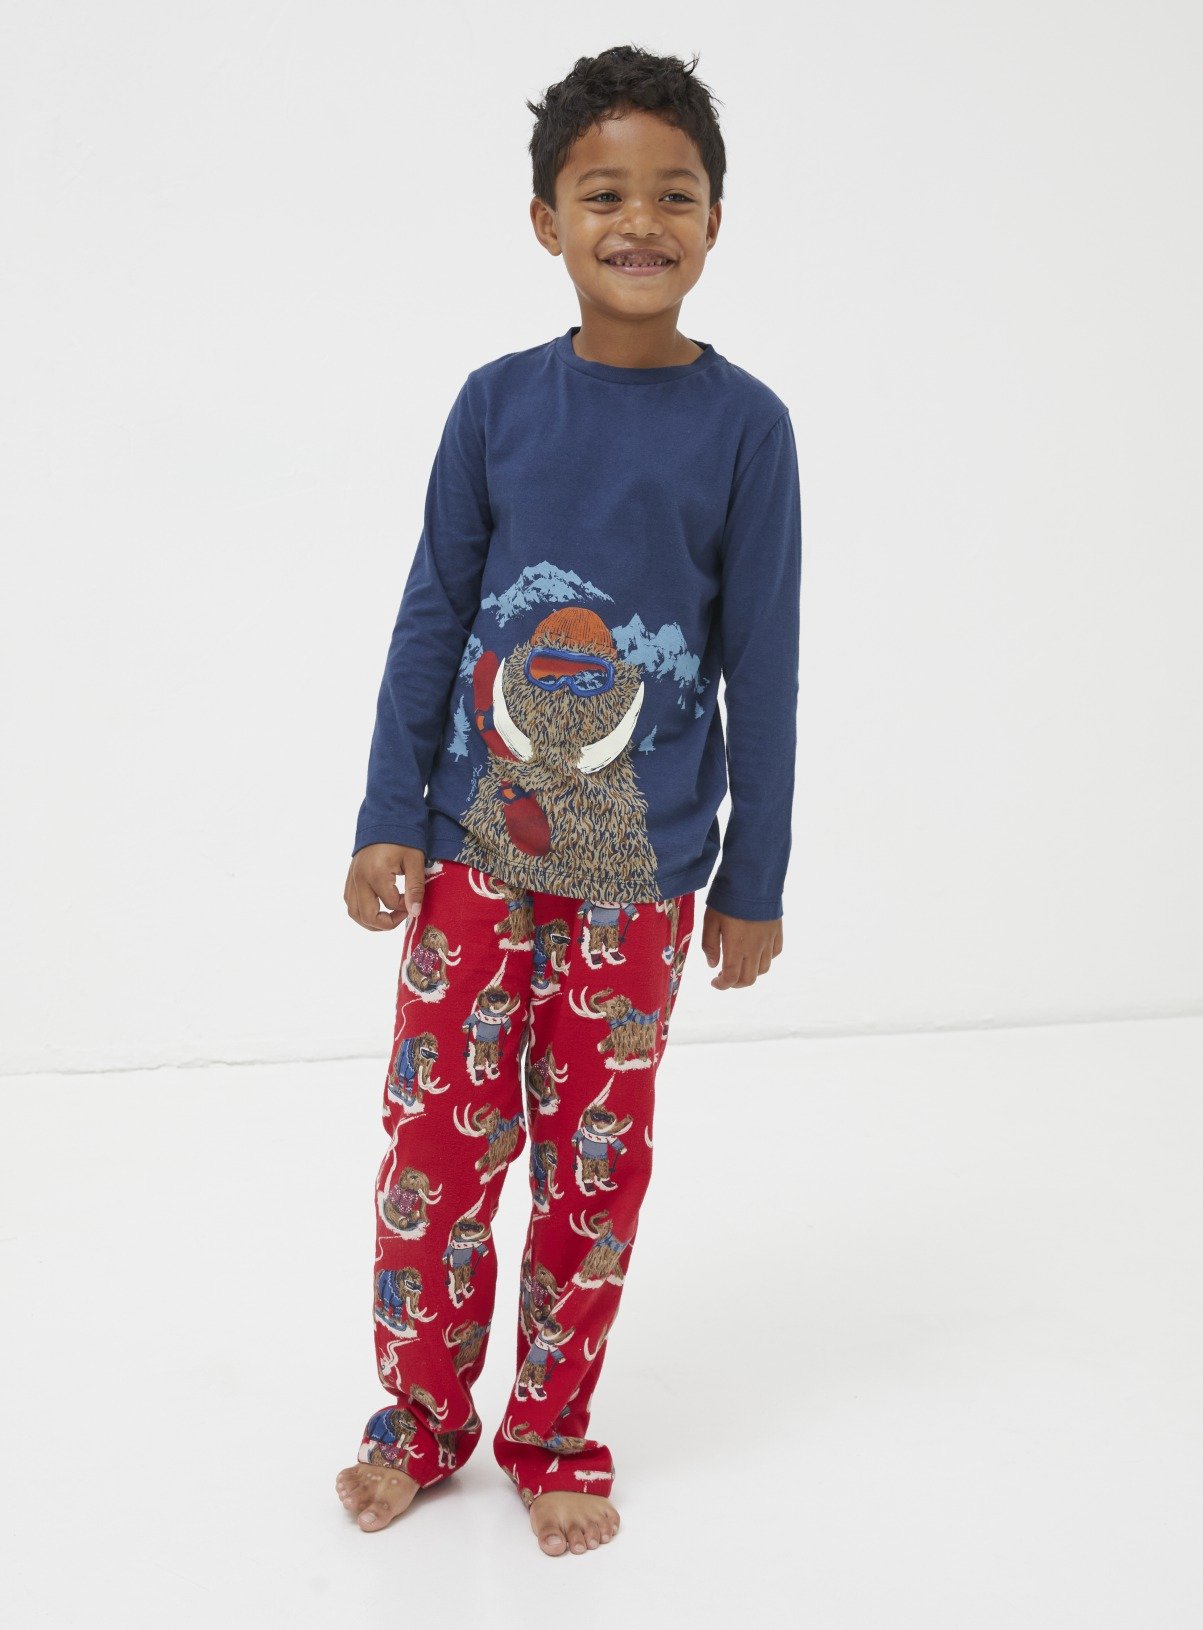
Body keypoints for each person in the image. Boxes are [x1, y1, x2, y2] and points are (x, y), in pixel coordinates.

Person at [334, 43, 802, 1558]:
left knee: (594, 1172)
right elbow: (431, 613)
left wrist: (753, 875)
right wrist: (387, 810)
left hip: (641, 880)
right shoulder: (495, 406)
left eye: (676, 194)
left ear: (716, 220)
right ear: (548, 221)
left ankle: (550, 1430)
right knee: (437, 1152)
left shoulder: (748, 429)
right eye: (605, 194)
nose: (640, 221)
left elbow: (763, 664)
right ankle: (419, 1422)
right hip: (473, 855)